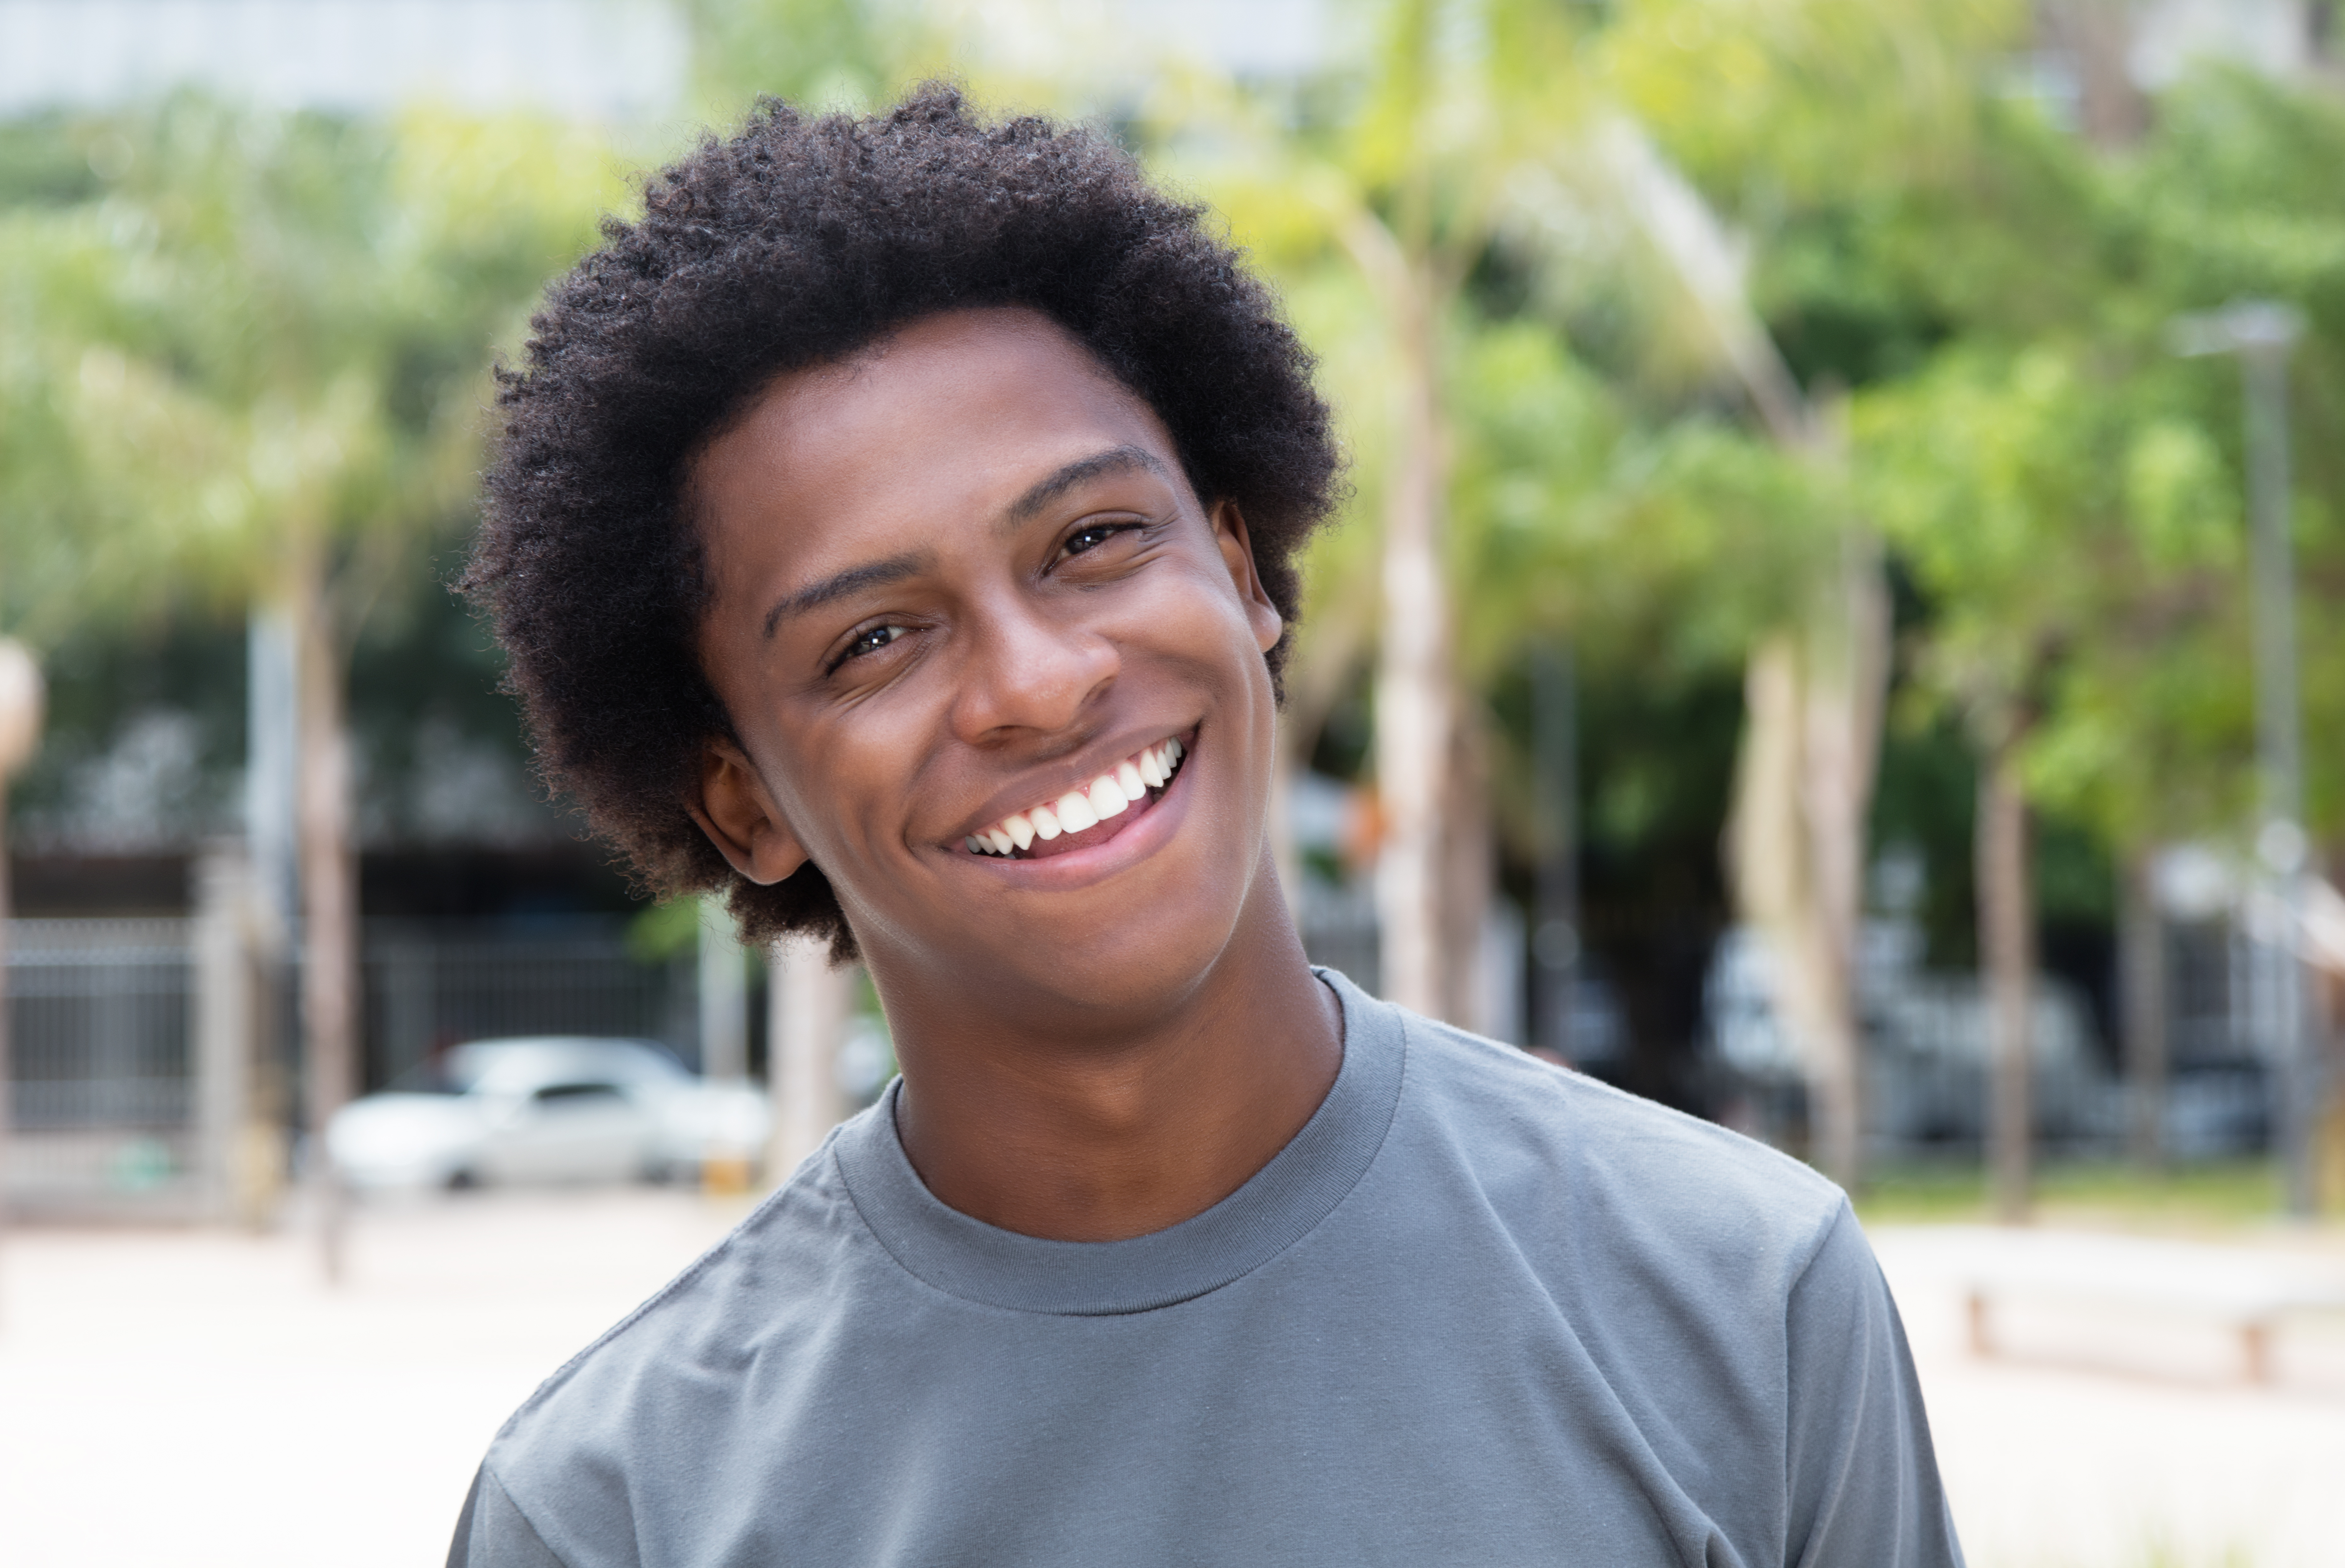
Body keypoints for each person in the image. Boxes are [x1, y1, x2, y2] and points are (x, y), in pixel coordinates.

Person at [448, 84, 1963, 1567]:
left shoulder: (1741, 1297)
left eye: (1091, 540)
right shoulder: (619, 1510)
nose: (1037, 683)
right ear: (745, 803)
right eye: (873, 643)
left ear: (1239, 571)